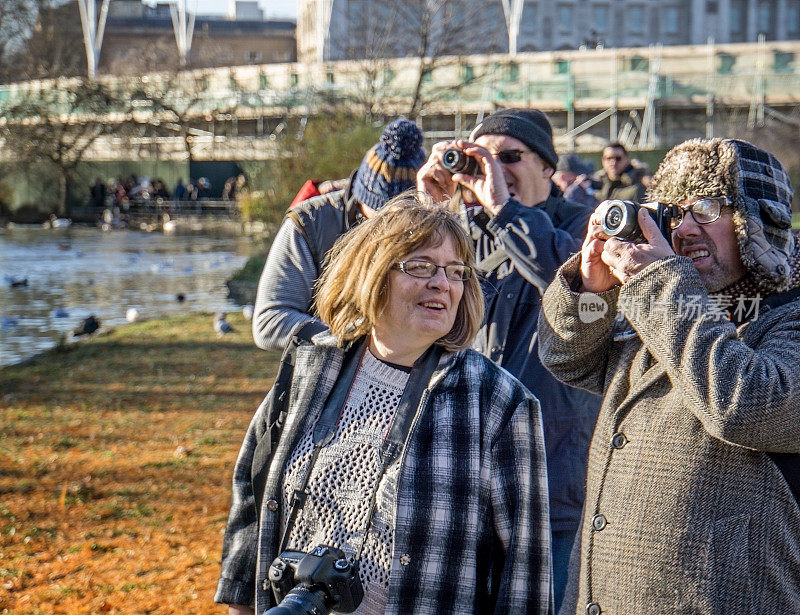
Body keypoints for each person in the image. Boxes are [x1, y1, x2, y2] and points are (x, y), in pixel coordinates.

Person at [215, 199, 553, 615]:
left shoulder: (499, 403)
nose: (442, 284)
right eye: (421, 266)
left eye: (455, 272)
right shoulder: (307, 367)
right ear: (372, 275)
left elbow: (525, 573)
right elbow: (252, 503)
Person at [537, 138, 800, 613]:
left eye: (705, 206)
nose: (684, 229)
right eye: (675, 212)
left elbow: (747, 405)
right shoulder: (670, 303)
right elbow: (566, 357)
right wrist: (590, 286)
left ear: (757, 219)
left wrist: (658, 284)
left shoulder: (785, 317)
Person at [416, 107, 601, 611]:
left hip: (554, 484)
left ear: (547, 168)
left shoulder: (587, 229)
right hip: (464, 481)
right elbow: (395, 308)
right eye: (481, 159)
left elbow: (572, 282)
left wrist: (505, 212)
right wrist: (426, 210)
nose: (495, 170)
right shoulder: (456, 236)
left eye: (511, 157)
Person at [252, 118, 426, 351]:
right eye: (381, 218)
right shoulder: (310, 223)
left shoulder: (437, 230)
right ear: (362, 197)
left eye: (404, 221)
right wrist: (357, 340)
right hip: (327, 375)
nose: (391, 230)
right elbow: (269, 321)